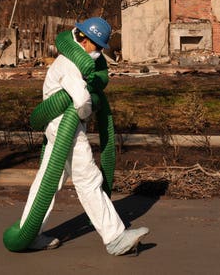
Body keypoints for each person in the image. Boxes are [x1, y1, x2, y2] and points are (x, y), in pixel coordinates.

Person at [21, 17, 149, 255]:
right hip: (65, 128)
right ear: (84, 39)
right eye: (98, 46)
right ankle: (115, 238)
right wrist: (91, 107)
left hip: (57, 127)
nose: (100, 52)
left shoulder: (68, 61)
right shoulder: (70, 64)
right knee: (88, 179)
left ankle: (28, 234)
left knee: (47, 182)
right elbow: (81, 101)